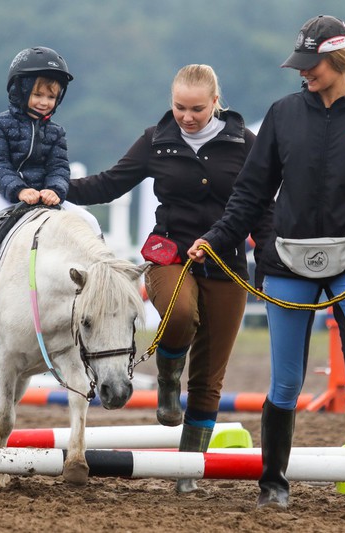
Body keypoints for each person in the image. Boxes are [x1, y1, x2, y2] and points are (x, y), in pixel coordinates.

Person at [188, 15, 345, 519]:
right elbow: (251, 194)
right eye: (299, 65)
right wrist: (215, 239)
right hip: (288, 262)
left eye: (311, 64)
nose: (303, 73)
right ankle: (273, 485)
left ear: (339, 59)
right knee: (285, 383)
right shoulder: (282, 114)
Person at [67, 64, 267, 493]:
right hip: (171, 254)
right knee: (177, 317)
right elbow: (109, 184)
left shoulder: (246, 144)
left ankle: (188, 470)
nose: (187, 116)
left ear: (216, 102)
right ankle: (167, 379)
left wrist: (267, 258)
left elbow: (262, 209)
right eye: (179, 107)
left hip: (228, 262)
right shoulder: (157, 140)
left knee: (211, 376)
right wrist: (57, 187)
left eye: (197, 108)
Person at [0, 46, 98, 307]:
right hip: (5, 195)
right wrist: (18, 190)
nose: (44, 101)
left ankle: (101, 280)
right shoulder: (0, 124)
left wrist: (55, 190)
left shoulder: (57, 133)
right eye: (38, 94)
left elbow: (60, 167)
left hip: (45, 197)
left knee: (90, 221)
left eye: (51, 96)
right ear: (21, 91)